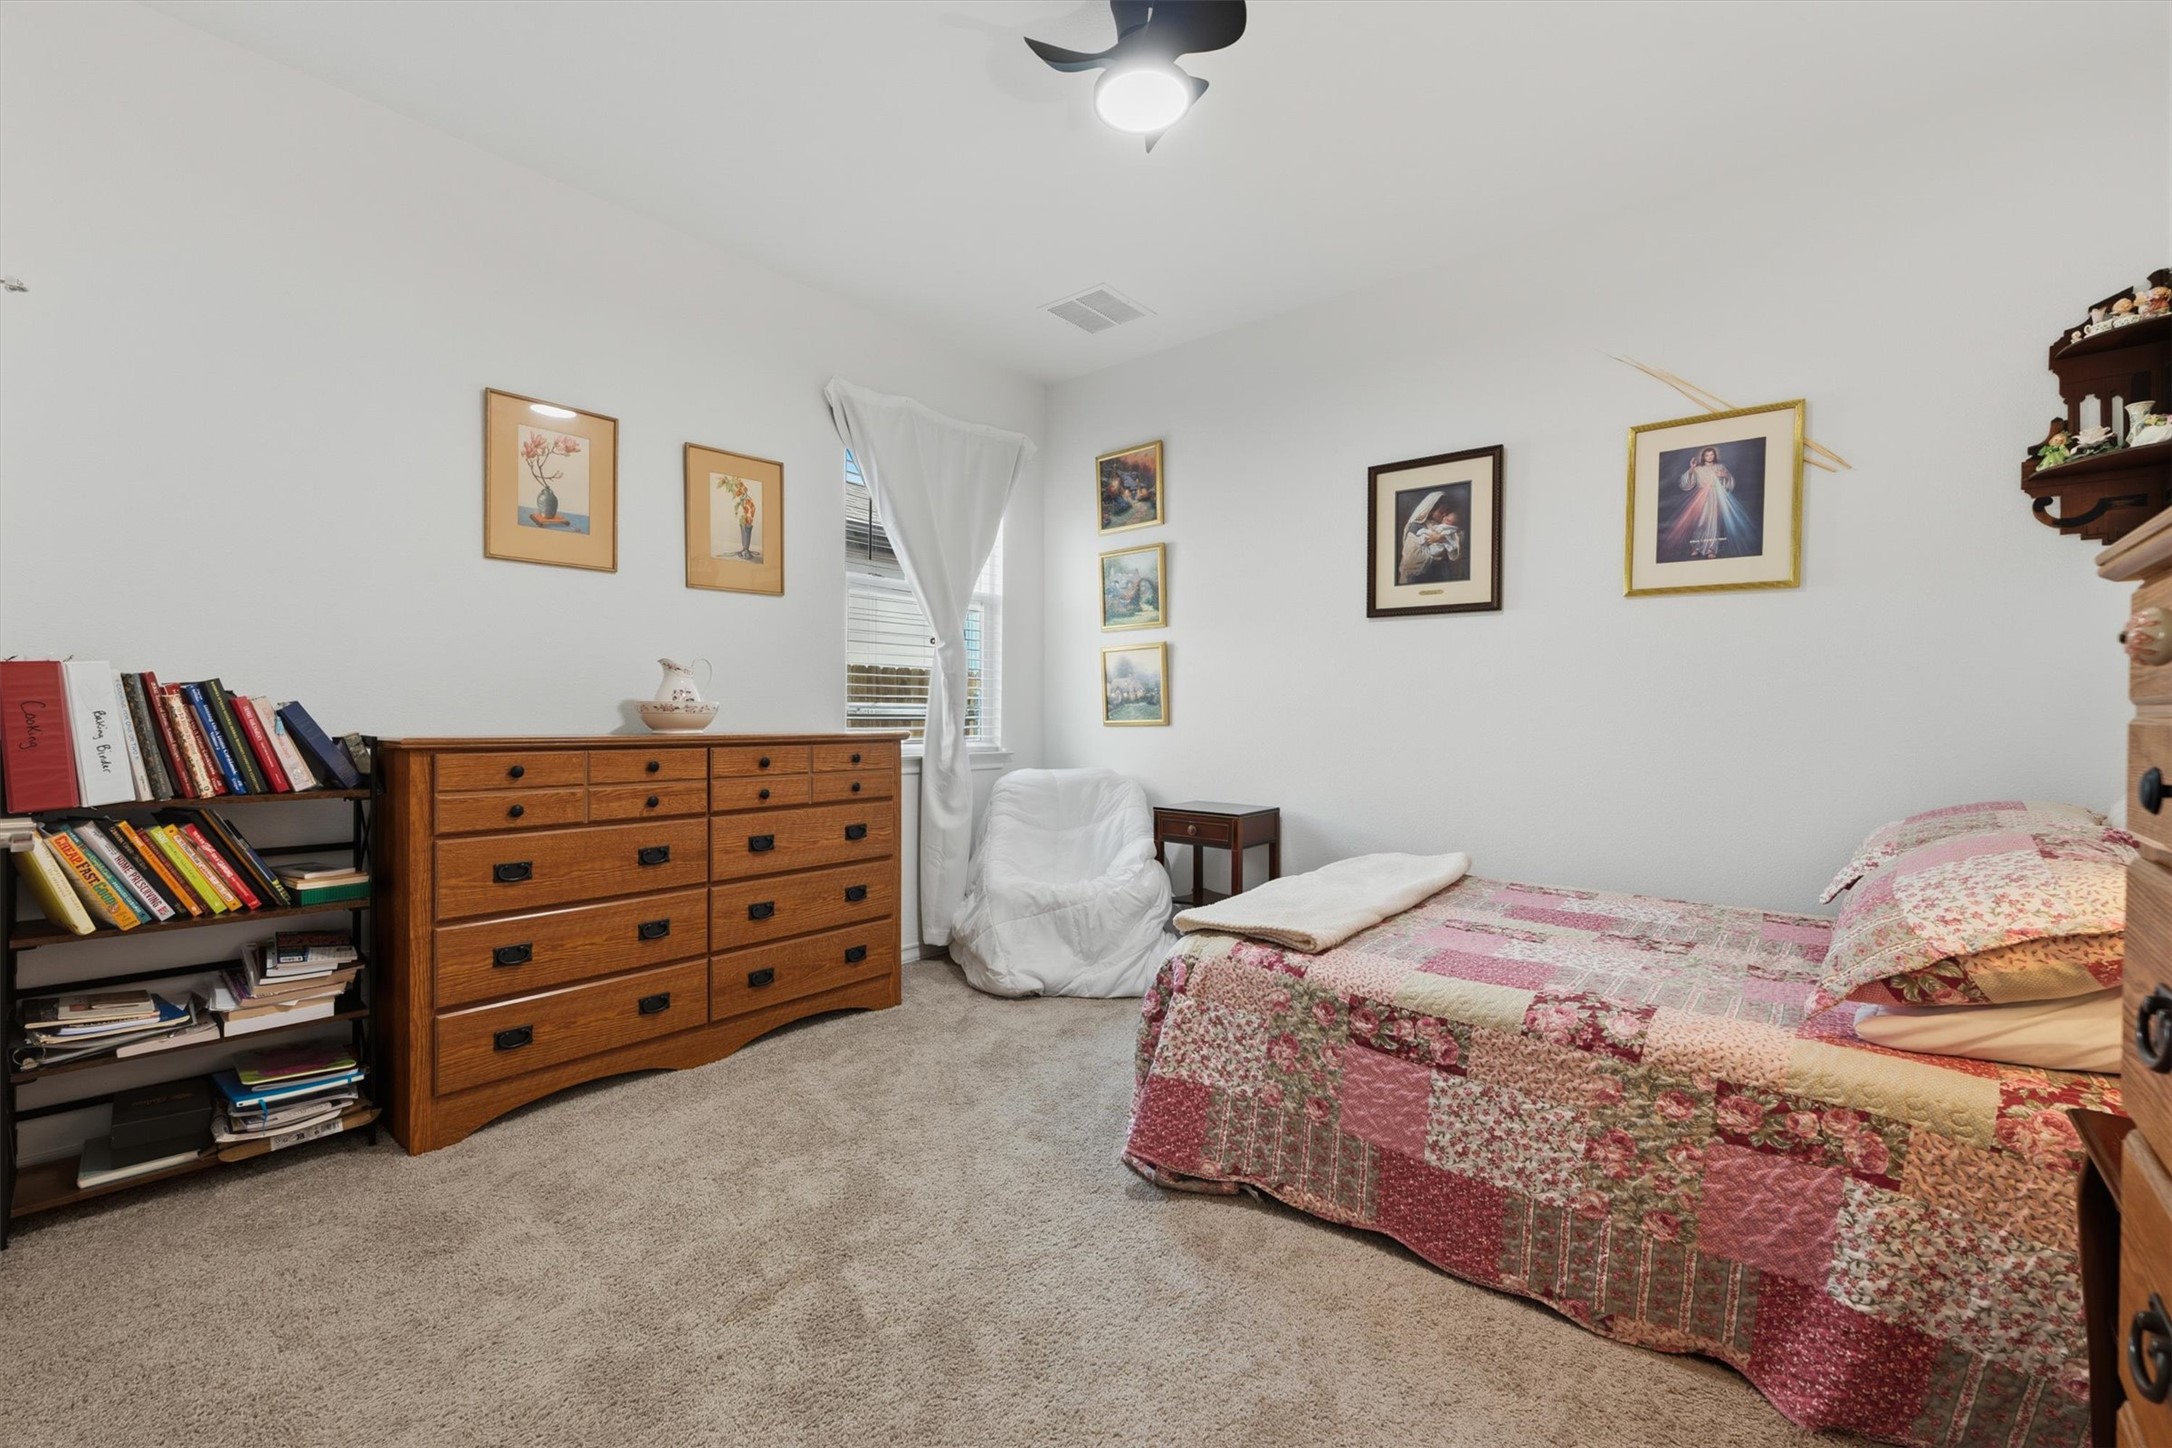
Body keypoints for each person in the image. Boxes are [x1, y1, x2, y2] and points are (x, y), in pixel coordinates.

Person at [1676, 446, 1735, 559]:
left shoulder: (1720, 467)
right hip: (1701, 497)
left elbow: (1729, 481)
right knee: (1700, 522)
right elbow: (1686, 483)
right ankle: (1696, 546)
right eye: (1707, 455)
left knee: (1713, 523)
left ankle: (1711, 549)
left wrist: (1725, 476)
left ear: (1715, 456)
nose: (1710, 457)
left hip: (1715, 496)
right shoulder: (1698, 469)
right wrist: (1692, 469)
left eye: (1712, 454)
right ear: (1703, 456)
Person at [1397, 493, 1463, 584]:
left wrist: (1442, 539)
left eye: (1446, 512)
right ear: (1431, 511)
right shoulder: (1415, 526)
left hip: (1441, 575)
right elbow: (1410, 559)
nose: (1444, 515)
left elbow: (1455, 545)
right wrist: (1439, 555)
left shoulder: (1445, 526)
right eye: (1441, 512)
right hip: (1417, 577)